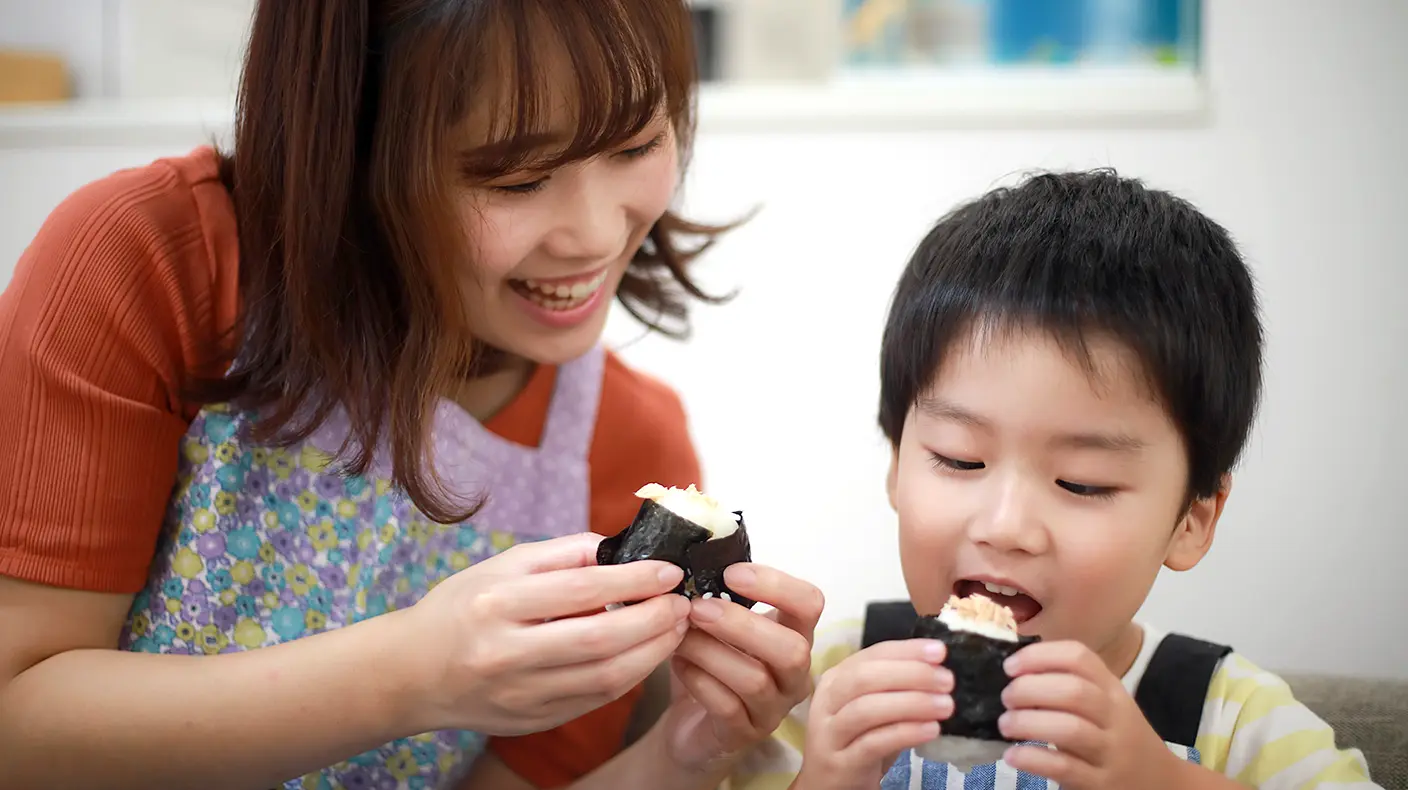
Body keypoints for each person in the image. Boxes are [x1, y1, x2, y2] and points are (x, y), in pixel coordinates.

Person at [0, 1, 821, 788]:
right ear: (349, 145)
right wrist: (414, 674)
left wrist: (686, 753)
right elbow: (17, 727)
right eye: (515, 178)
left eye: (636, 144)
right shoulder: (148, 268)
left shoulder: (629, 445)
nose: (597, 235)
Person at [725, 170, 1382, 789]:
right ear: (897, 466)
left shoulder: (1230, 715)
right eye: (960, 459)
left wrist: (1166, 781)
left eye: (1083, 483)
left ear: (1192, 520)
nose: (1005, 526)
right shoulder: (830, 680)